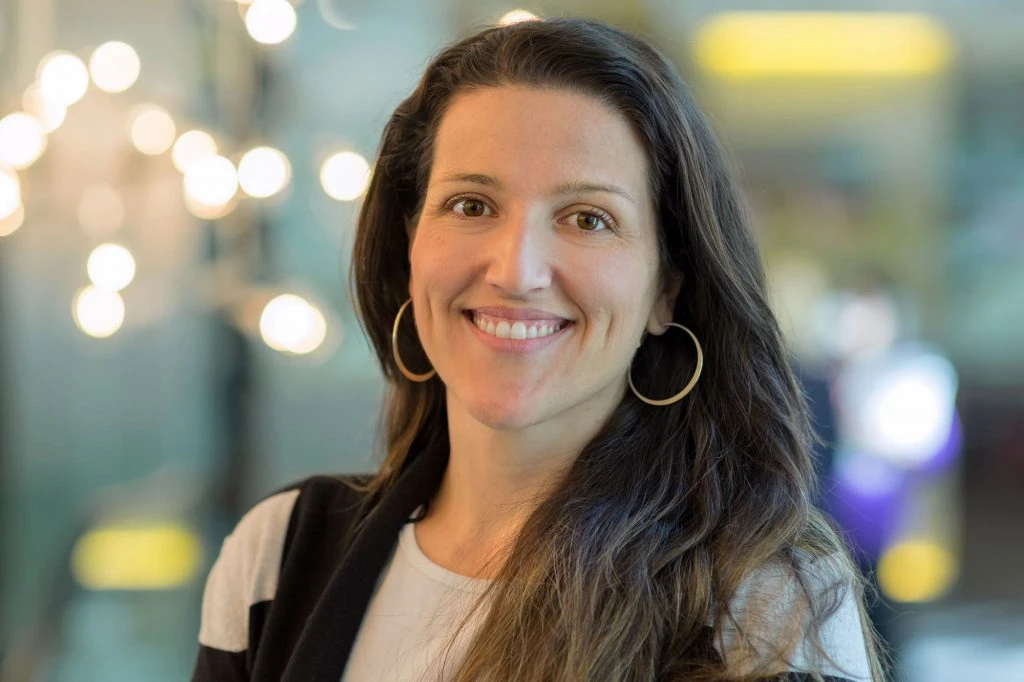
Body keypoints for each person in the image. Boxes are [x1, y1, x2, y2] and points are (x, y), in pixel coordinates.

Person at [192, 17, 885, 682]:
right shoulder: (279, 558)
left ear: (667, 291)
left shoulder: (762, 599)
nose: (516, 270)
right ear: (410, 246)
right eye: (471, 206)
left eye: (588, 218)